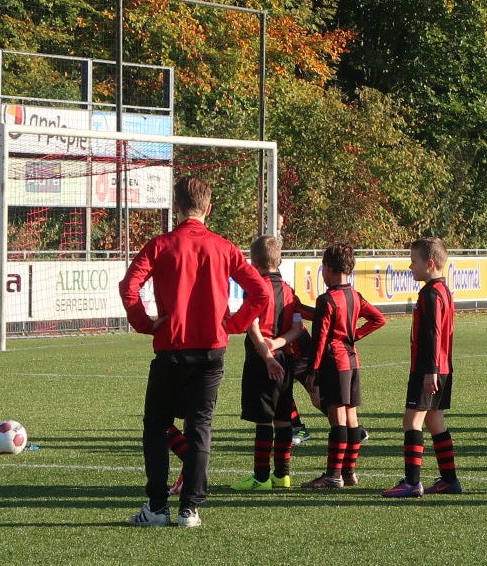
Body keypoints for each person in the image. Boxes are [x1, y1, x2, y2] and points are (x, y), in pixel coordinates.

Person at [118, 176, 271, 528]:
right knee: (200, 426)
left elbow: (129, 286)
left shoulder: (161, 245)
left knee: (157, 426)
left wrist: (145, 323)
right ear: (209, 208)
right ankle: (190, 509)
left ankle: (157, 508)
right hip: (210, 350)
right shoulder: (224, 247)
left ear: (176, 207)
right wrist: (233, 323)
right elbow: (261, 293)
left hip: (172, 347)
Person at [301, 243, 388, 489]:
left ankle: (333, 475)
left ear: (328, 269)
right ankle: (348, 473)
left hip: (334, 362)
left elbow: (320, 339)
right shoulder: (355, 295)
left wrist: (312, 372)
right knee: (351, 417)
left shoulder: (327, 299)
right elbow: (378, 319)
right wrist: (353, 336)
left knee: (337, 418)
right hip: (352, 361)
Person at [381, 237, 463, 498]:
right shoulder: (444, 290)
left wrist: (430, 371)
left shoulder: (430, 293)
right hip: (442, 367)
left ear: (429, 263)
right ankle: (450, 480)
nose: (410, 266)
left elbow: (433, 333)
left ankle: (412, 482)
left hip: (429, 368)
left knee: (411, 421)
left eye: (413, 261)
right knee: (435, 421)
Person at [229, 236, 310, 492]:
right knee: (283, 418)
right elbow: (298, 327)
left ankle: (261, 477)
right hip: (285, 357)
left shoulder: (256, 288)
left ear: (253, 262)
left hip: (261, 359)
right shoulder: (288, 290)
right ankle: (282, 475)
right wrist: (278, 344)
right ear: (279, 260)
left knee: (264, 420)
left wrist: (266, 355)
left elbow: (251, 324)